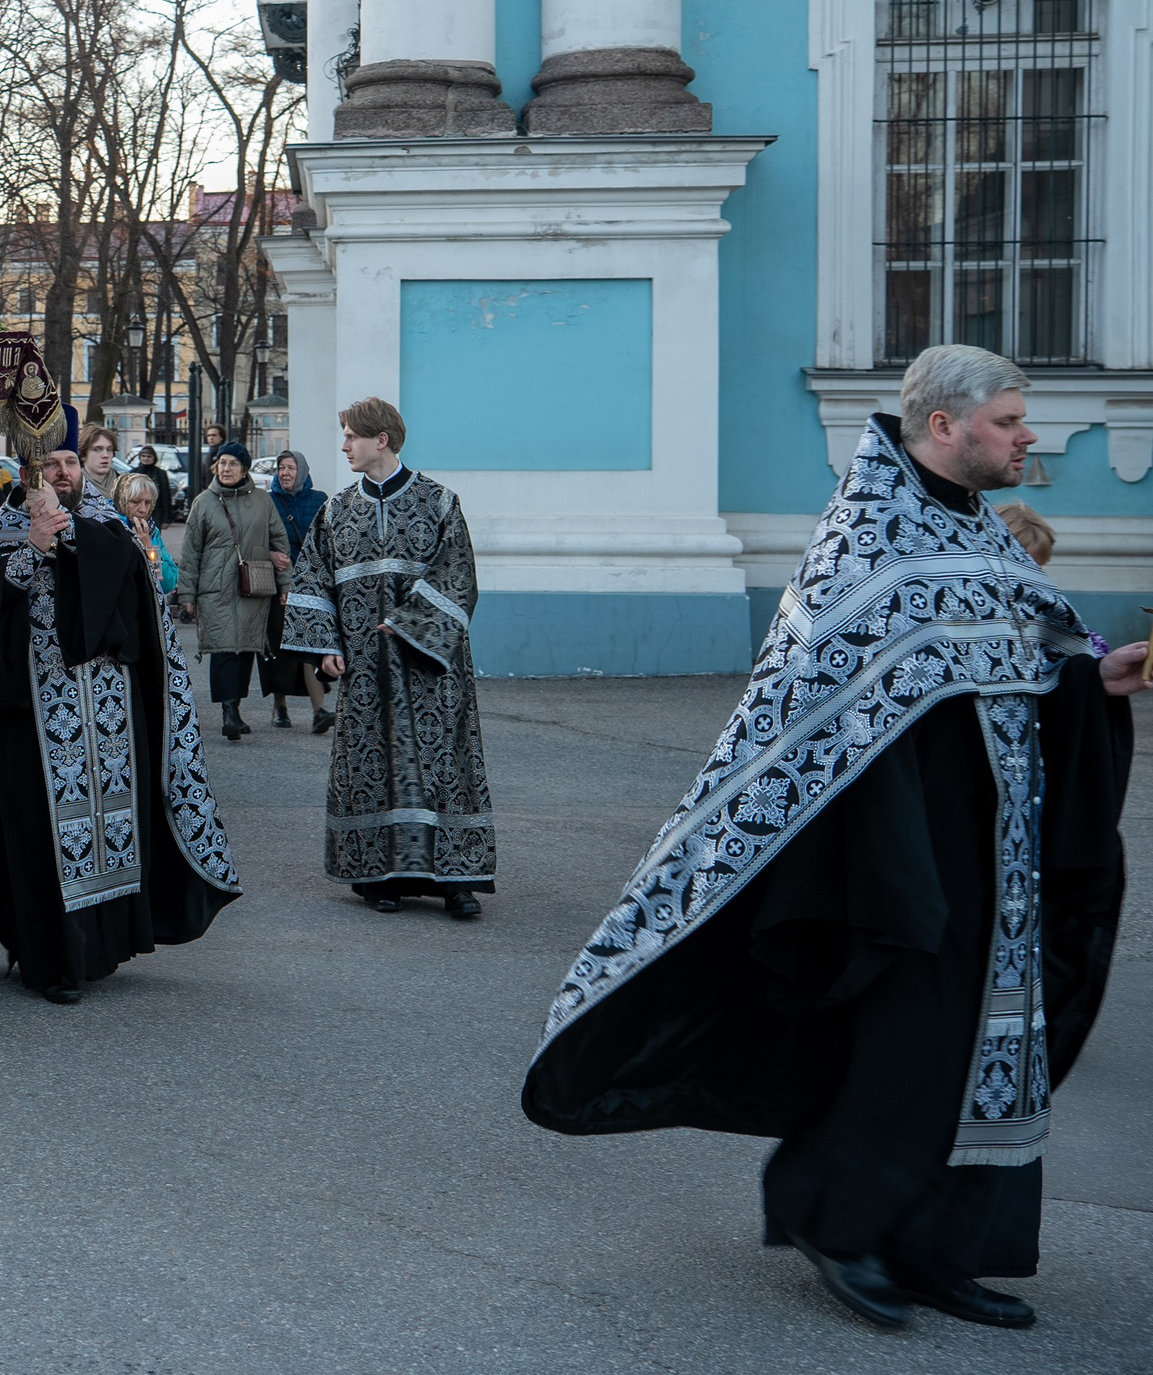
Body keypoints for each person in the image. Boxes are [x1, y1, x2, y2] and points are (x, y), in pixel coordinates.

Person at [523, 345, 1143, 1333]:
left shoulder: (983, 540)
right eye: (1011, 419)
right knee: (906, 1047)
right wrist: (895, 861)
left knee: (988, 1045)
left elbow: (1024, 663)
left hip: (1000, 856)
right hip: (894, 854)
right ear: (944, 426)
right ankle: (837, 1223)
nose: (1028, 437)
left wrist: (1093, 682)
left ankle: (941, 1248)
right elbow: (812, 709)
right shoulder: (865, 540)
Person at [0, 408, 241, 1003]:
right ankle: (45, 957)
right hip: (24, 720)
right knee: (34, 837)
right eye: (51, 463)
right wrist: (27, 556)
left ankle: (98, 948)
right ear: (26, 471)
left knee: (110, 825)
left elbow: (130, 597)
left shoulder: (106, 526)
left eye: (70, 461)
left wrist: (67, 538)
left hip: (108, 718)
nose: (64, 471)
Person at [283, 397, 494, 918]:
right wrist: (327, 645)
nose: (344, 445)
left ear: (382, 439)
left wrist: (405, 625)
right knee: (371, 767)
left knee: (442, 765)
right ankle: (379, 877)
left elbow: (459, 577)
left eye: (352, 436)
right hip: (364, 668)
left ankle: (455, 882)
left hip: (429, 668)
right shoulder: (336, 510)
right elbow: (311, 579)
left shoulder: (440, 501)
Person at [179, 441, 291, 742]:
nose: (225, 469)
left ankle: (236, 709)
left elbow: (280, 543)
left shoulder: (262, 501)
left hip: (253, 587)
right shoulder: (204, 502)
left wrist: (285, 585)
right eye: (221, 463)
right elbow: (191, 553)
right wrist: (186, 596)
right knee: (224, 648)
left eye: (232, 464)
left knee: (245, 649)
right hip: (214, 588)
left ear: (244, 468)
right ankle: (229, 711)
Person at [266, 451, 334, 734]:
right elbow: (257, 538)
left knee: (311, 643)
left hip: (311, 583)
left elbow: (329, 539)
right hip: (277, 583)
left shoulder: (319, 501)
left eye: (291, 468)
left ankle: (319, 710)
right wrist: (269, 555)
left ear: (302, 471)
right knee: (280, 646)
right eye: (281, 468)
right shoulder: (268, 501)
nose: (285, 473)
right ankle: (279, 706)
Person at [117, 471, 177, 596]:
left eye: (148, 503)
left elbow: (168, 583)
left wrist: (148, 546)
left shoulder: (151, 530)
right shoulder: (113, 527)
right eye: (135, 502)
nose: (142, 509)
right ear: (123, 501)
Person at [132, 444, 175, 525]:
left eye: (149, 456)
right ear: (140, 457)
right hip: (137, 512)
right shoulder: (134, 473)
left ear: (154, 458)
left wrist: (166, 519)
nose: (146, 458)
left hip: (156, 512)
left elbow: (165, 496)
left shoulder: (160, 473)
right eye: (143, 456)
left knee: (154, 536)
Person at [78, 423, 120, 501]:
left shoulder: (126, 485)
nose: (105, 455)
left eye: (109, 449)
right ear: (83, 454)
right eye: (97, 449)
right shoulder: (74, 487)